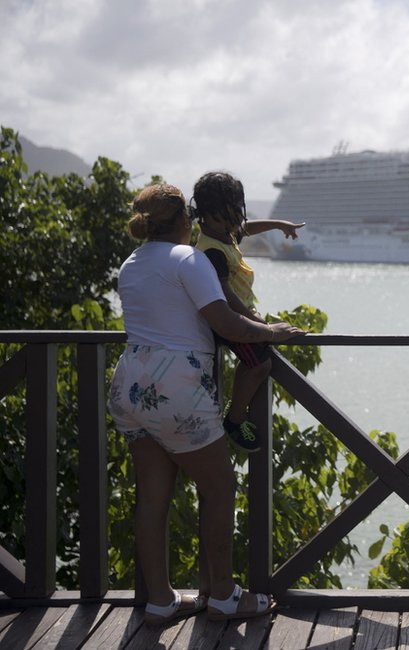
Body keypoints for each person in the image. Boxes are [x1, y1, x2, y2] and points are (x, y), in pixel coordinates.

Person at [107, 183, 304, 625]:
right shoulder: (189, 259)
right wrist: (273, 332)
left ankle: (159, 601)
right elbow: (225, 322)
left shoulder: (131, 263)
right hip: (176, 388)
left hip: (129, 386)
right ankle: (222, 596)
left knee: (153, 497)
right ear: (183, 221)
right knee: (218, 489)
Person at [191, 171, 305, 453]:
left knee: (262, 353)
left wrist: (279, 224)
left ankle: (234, 410)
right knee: (260, 363)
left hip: (239, 313)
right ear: (210, 214)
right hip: (227, 318)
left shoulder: (222, 233)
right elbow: (225, 297)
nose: (236, 223)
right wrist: (257, 323)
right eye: (229, 215)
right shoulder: (211, 250)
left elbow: (246, 228)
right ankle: (235, 417)